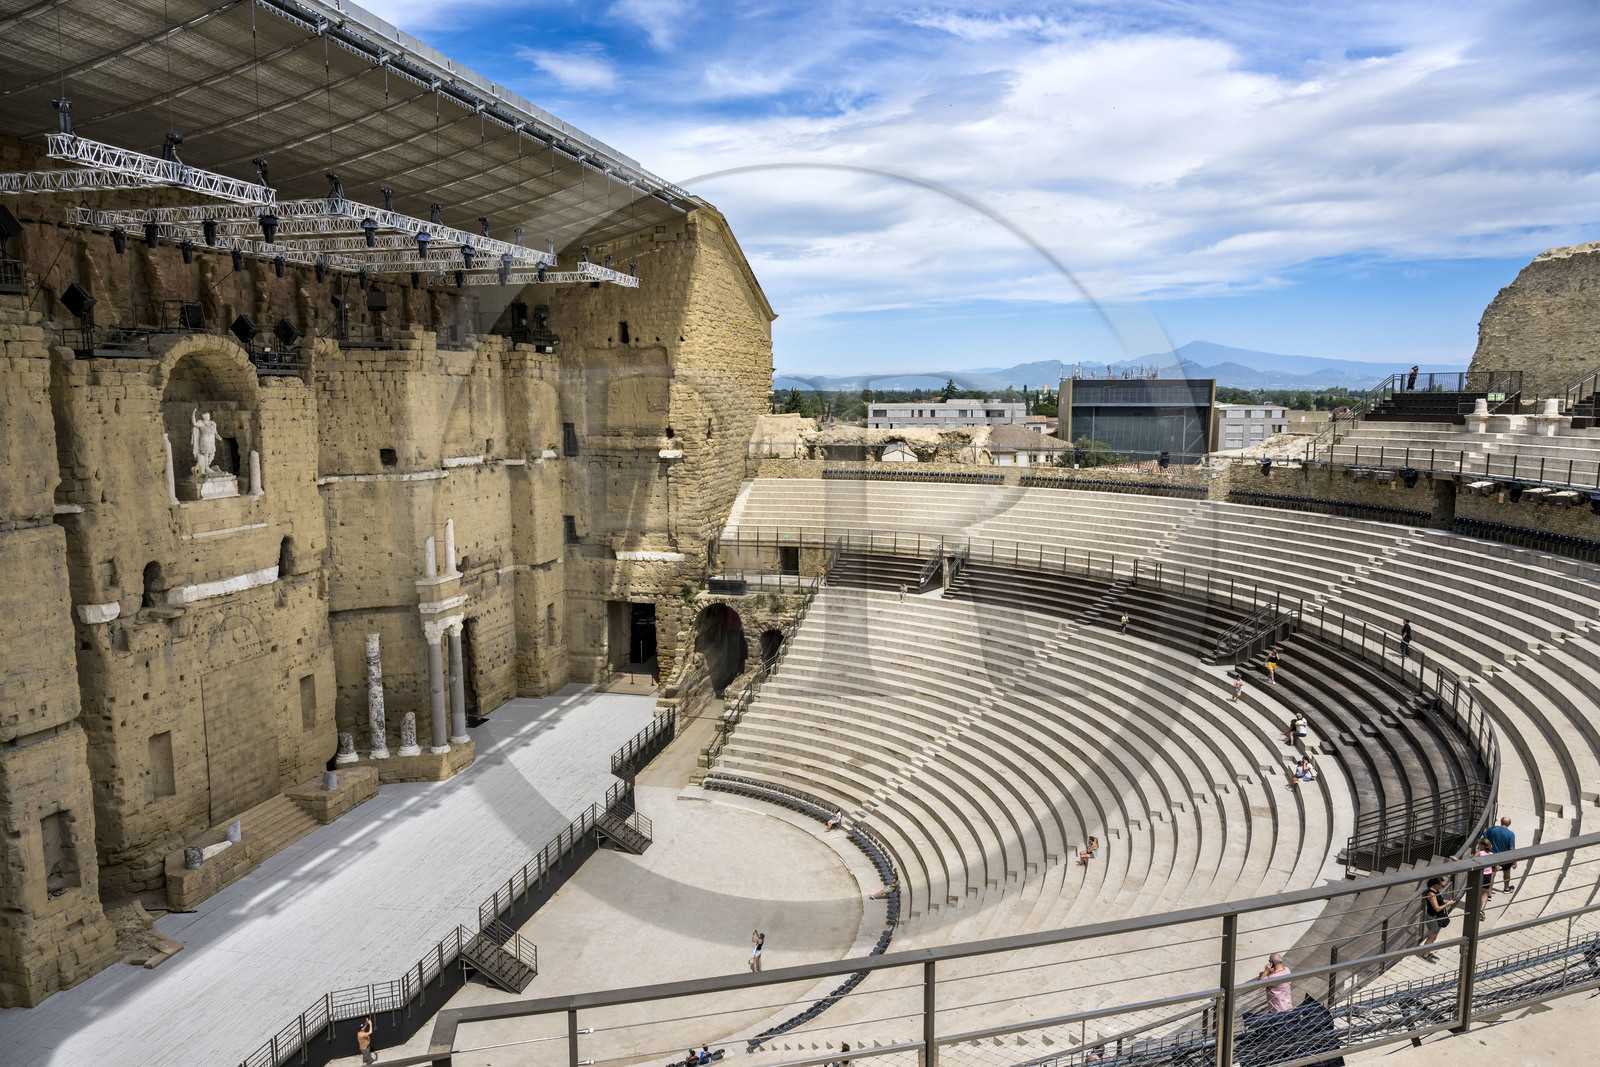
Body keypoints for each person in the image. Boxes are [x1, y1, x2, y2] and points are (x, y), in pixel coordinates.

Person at [1420, 876, 1456, 961]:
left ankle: (1429, 952)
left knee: (1434, 937)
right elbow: (1437, 908)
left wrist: (1448, 901)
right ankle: (1425, 955)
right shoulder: (1431, 894)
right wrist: (1448, 904)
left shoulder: (1436, 891)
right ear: (1436, 884)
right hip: (1433, 918)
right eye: (1442, 886)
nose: (1442, 888)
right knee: (1431, 937)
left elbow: (1439, 900)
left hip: (1437, 917)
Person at [1486, 815, 1516, 893]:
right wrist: (1514, 861)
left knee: (1492, 872)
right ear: (1509, 824)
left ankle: (1489, 893)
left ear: (1501, 821)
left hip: (1492, 855)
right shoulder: (1510, 834)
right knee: (1506, 871)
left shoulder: (1492, 829)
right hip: (1505, 856)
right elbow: (1511, 848)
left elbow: (1485, 838)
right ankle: (1506, 888)